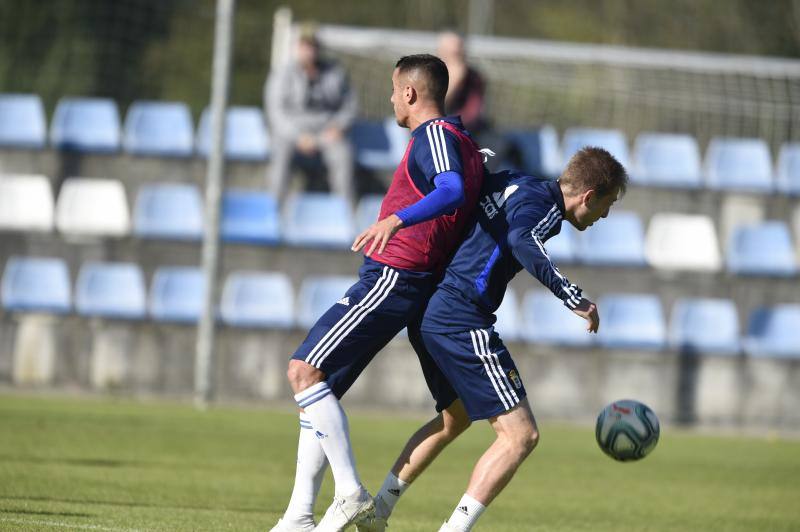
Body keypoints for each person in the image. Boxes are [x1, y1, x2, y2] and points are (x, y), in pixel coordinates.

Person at [357, 147, 628, 531]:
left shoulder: (516, 181)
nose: (604, 216)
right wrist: (573, 297)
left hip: (429, 310)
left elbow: (476, 192)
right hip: (460, 317)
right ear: (588, 196)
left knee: (455, 418)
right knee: (522, 436)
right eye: (607, 205)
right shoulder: (545, 207)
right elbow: (522, 239)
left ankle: (375, 512)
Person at [270, 54, 487, 532]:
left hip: (395, 275)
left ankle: (349, 494)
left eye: (393, 89)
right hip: (411, 279)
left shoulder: (435, 136)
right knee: (319, 385)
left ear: (409, 93)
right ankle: (298, 518)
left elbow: (449, 190)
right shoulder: (465, 141)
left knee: (302, 371)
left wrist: (396, 218)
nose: (390, 98)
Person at [265, 25, 358, 206]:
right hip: (293, 133)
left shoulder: (335, 72)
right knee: (279, 156)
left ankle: (346, 214)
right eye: (304, 46)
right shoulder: (282, 73)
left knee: (344, 155)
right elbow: (275, 113)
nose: (309, 51)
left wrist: (339, 126)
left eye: (313, 46)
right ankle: (272, 212)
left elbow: (350, 106)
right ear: (296, 47)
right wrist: (298, 136)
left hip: (327, 131)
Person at [437, 30, 487, 135]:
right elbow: (433, 106)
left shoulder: (474, 78)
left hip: (464, 130)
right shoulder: (429, 74)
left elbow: (473, 115)